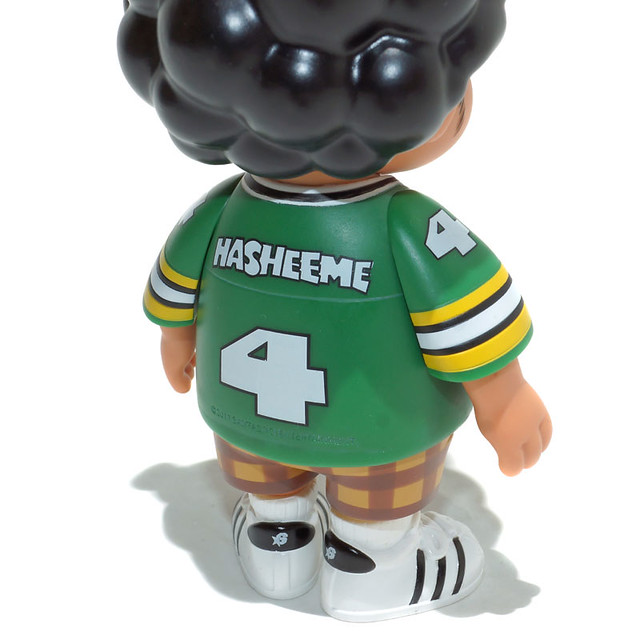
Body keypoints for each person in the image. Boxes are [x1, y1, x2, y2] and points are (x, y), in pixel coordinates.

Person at [118, 0, 551, 621]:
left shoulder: (222, 209)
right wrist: (504, 401)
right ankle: (373, 565)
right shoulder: (407, 225)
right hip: (379, 428)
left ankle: (276, 538)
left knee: (267, 485)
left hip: (246, 414)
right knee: (377, 499)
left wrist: (177, 341)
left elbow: (176, 293)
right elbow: (467, 320)